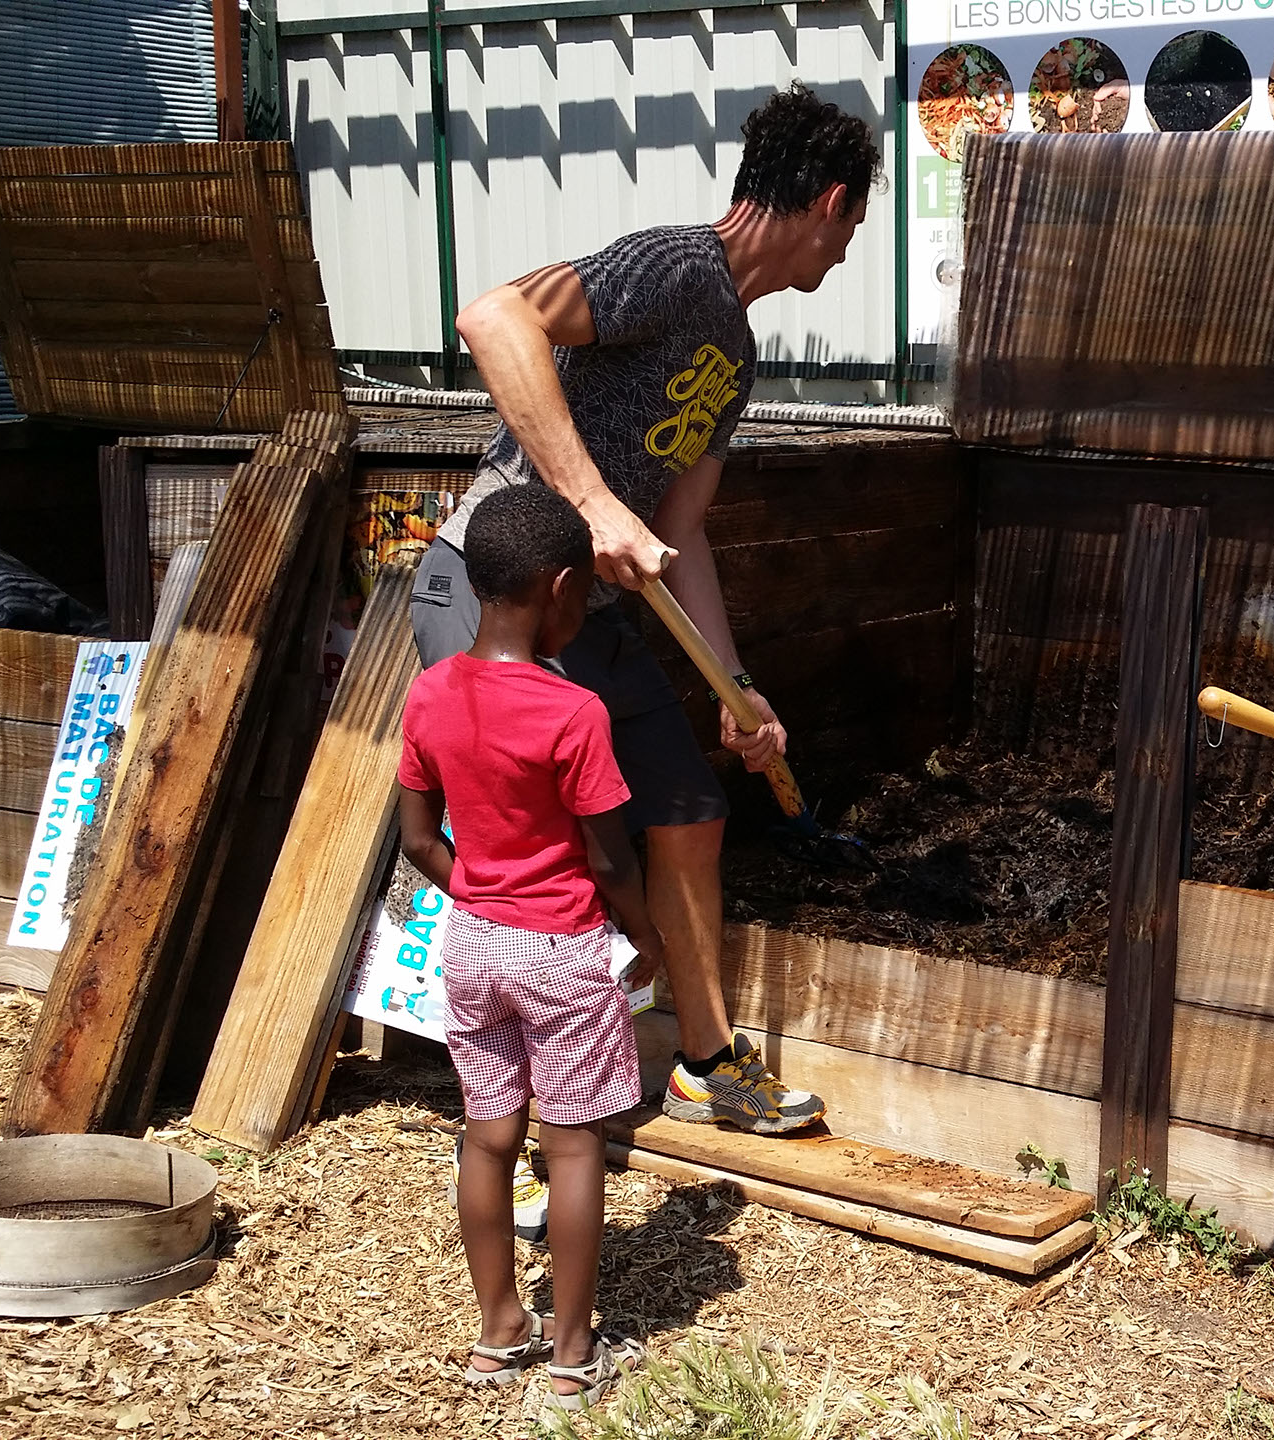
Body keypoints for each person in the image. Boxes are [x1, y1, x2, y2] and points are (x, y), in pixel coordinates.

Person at [413, 82, 880, 1135]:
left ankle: (704, 1063)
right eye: (852, 227)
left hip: (595, 616)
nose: (848, 252)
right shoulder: (674, 265)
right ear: (829, 203)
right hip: (493, 595)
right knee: (539, 853)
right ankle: (528, 1122)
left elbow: (684, 528)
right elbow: (493, 317)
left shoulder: (738, 353)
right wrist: (589, 503)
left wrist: (736, 686)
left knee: (689, 812)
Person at [397, 483, 668, 1408]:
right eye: (586, 590)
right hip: (560, 950)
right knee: (574, 1147)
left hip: (472, 943)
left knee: (488, 1137)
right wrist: (644, 934)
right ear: (558, 587)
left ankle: (499, 1330)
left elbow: (418, 841)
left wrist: (481, 893)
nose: (586, 606)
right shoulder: (573, 711)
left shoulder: (430, 693)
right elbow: (609, 855)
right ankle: (573, 1352)